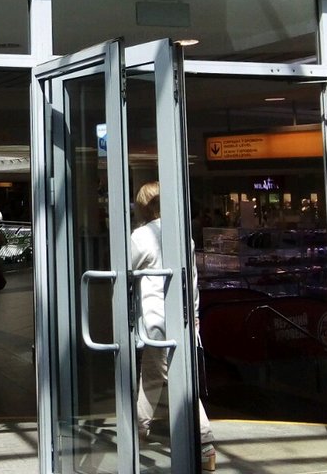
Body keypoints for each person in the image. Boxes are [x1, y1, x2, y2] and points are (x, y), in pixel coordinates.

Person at [131, 181, 215, 471]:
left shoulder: (141, 236)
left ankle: (205, 441)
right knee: (153, 377)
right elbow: (192, 281)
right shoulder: (183, 236)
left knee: (178, 382)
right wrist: (195, 315)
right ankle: (139, 429)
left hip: (155, 322)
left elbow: (123, 271)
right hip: (181, 319)